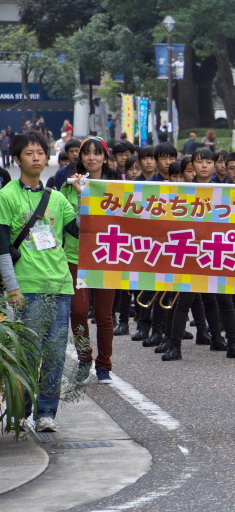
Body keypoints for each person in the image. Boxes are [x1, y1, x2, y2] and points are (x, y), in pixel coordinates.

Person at [0, 131, 82, 432]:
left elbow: (80, 230)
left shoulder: (58, 198)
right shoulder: (6, 196)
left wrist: (88, 197)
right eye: (29, 153)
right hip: (28, 287)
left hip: (60, 286)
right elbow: (1, 247)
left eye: (40, 153)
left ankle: (47, 412)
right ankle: (22, 408)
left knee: (55, 354)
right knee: (28, 353)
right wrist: (13, 287)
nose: (36, 158)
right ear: (18, 158)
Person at [160, 147, 235, 361]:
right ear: (192, 167)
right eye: (199, 162)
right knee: (183, 300)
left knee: (224, 301)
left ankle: (232, 344)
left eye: (208, 162)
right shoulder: (183, 191)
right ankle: (175, 346)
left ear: (217, 166)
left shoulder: (225, 190)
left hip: (217, 250)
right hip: (191, 251)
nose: (204, 166)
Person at [62, 137, 120, 384]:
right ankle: (85, 359)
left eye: (97, 153)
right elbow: (74, 225)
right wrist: (81, 193)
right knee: (78, 311)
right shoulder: (67, 186)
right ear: (80, 157)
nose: (92, 157)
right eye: (87, 153)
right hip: (75, 256)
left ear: (106, 158)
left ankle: (104, 365)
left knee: (105, 315)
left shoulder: (119, 186)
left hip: (107, 256)